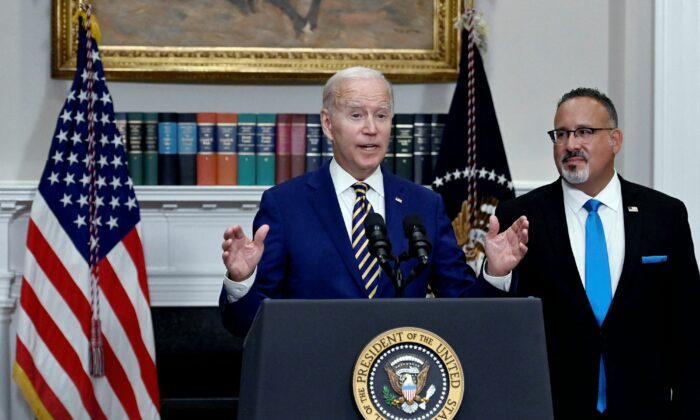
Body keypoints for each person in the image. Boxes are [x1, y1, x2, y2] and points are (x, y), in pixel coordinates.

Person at [219, 66, 529, 337]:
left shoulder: (425, 205)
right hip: (315, 385)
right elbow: (248, 325)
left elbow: (466, 313)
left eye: (381, 115)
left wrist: (495, 273)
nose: (371, 128)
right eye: (356, 115)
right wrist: (242, 280)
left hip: (400, 388)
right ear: (328, 124)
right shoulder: (285, 206)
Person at [479, 88, 700, 419]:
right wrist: (497, 275)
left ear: (615, 140)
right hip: (553, 409)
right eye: (561, 134)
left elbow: (689, 329)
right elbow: (498, 335)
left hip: (645, 410)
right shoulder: (521, 216)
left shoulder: (664, 215)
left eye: (584, 132)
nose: (570, 144)